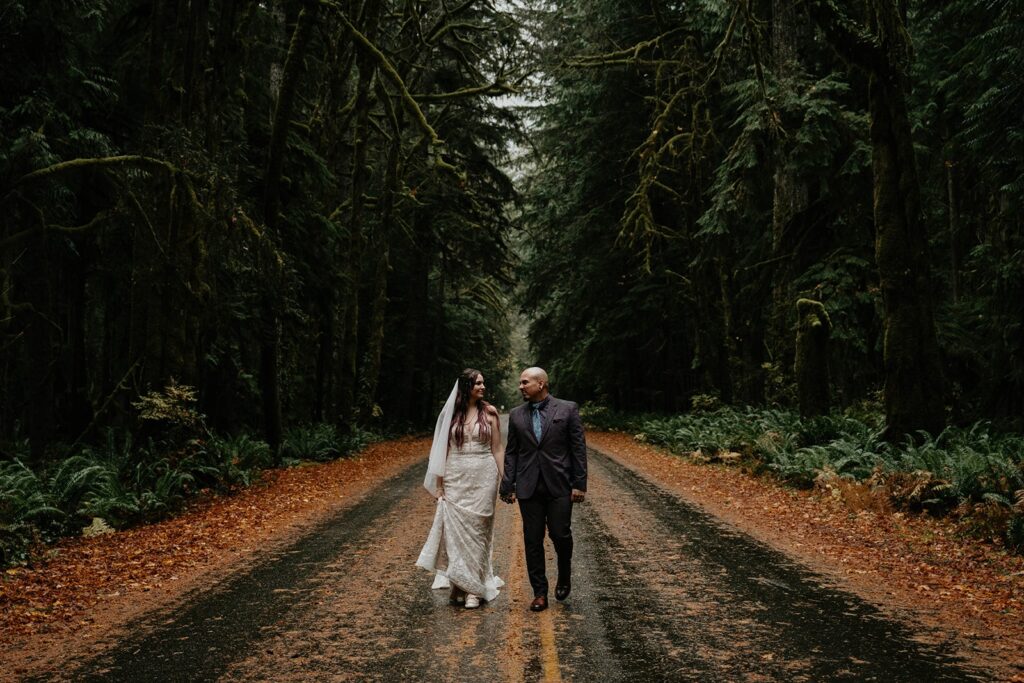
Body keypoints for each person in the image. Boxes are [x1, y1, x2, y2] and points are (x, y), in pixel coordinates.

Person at [500, 367, 587, 612]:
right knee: (532, 540)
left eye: (525, 382)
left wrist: (579, 484)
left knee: (561, 534)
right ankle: (539, 592)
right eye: (519, 382)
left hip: (559, 484)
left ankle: (565, 572)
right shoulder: (517, 415)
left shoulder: (567, 409)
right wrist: (508, 485)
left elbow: (578, 449)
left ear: (541, 384)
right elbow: (512, 453)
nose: (521, 386)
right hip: (528, 486)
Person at [416, 369, 505, 609]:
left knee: (478, 531)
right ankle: (459, 583)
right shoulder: (451, 414)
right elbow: (442, 450)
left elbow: (497, 449)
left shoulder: (490, 413)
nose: (483, 386)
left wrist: (505, 477)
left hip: (484, 476)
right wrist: (440, 484)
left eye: (483, 382)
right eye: (478, 383)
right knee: (454, 533)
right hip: (456, 474)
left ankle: (474, 588)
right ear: (467, 386)